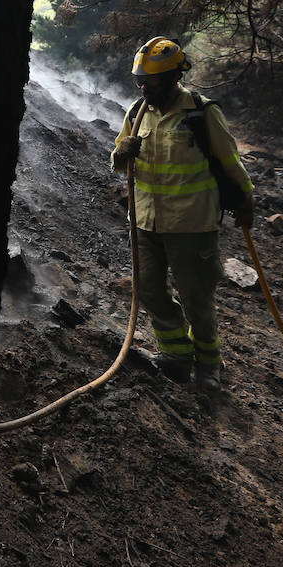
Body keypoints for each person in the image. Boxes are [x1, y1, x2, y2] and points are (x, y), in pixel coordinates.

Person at [111, 37, 255, 393]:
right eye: (140, 80)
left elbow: (229, 162)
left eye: (152, 81)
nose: (144, 87)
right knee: (148, 290)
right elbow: (117, 162)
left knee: (196, 297)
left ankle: (208, 364)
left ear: (174, 76)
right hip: (144, 222)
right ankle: (176, 355)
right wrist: (122, 153)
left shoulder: (201, 113)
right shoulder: (135, 112)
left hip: (192, 226)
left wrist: (246, 201)